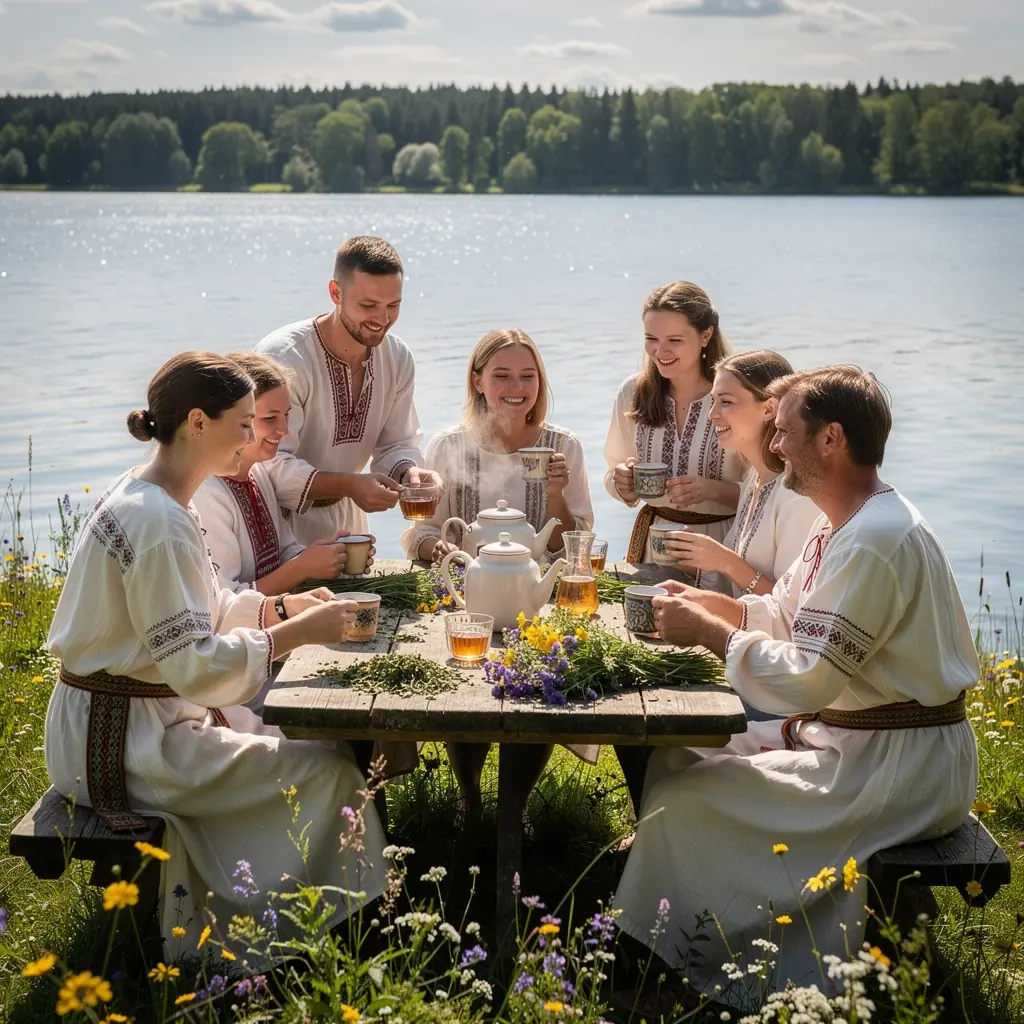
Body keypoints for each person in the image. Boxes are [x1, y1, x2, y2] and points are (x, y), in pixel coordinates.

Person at [614, 366, 979, 1007]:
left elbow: (811, 679)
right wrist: (713, 606)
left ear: (831, 439)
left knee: (691, 796)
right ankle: (678, 930)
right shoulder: (837, 522)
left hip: (896, 767)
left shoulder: (876, 539)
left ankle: (706, 961)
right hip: (856, 739)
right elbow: (785, 616)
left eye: (785, 433)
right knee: (678, 757)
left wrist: (710, 634)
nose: (774, 446)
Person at [44, 352, 387, 958]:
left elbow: (202, 610)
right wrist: (300, 635)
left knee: (303, 741)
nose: (253, 438)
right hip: (122, 745)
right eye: (243, 423)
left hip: (122, 720)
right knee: (329, 770)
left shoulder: (151, 493)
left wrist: (289, 610)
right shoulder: (160, 521)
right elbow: (195, 666)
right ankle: (326, 936)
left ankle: (309, 915)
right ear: (197, 423)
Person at [402, 328, 597, 814]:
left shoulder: (562, 447)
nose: (517, 386)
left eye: (528, 375)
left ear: (540, 382)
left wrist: (555, 496)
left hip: (537, 599)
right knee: (461, 688)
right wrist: (440, 549)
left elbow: (575, 545)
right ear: (478, 381)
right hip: (463, 595)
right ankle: (470, 800)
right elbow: (417, 531)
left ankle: (514, 807)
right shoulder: (449, 446)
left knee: (536, 692)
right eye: (502, 374)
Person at [255, 235, 443, 546]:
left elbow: (396, 443)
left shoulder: (396, 358)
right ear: (335, 293)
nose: (383, 320)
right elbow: (267, 464)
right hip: (277, 528)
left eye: (393, 306)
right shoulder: (285, 358)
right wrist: (351, 485)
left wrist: (408, 473)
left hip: (350, 530)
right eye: (368, 305)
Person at [193, 352, 364, 597]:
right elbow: (224, 601)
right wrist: (302, 568)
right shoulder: (206, 494)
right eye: (270, 418)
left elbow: (284, 552)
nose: (283, 430)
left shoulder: (259, 473)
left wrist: (331, 556)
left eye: (286, 415)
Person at [604, 280, 743, 565]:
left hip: (723, 546)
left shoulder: (739, 396)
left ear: (706, 336)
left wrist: (710, 490)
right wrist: (622, 484)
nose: (660, 351)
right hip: (652, 546)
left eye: (674, 341)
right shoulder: (632, 393)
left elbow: (770, 492)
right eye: (651, 339)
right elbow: (612, 474)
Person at [663, 349, 821, 598]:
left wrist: (724, 561)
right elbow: (735, 585)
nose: (712, 413)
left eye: (726, 401)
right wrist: (697, 560)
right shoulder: (753, 479)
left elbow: (793, 608)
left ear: (770, 408)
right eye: (713, 400)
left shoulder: (797, 497)